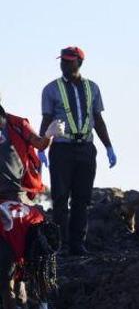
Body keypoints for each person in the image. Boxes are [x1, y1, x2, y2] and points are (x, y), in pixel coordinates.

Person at [40, 46, 116, 256]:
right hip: (62, 150)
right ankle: (60, 245)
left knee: (82, 199)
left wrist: (108, 146)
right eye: (63, 61)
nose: (64, 64)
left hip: (85, 149)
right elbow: (46, 119)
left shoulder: (93, 88)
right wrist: (41, 147)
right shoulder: (51, 89)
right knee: (60, 198)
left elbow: (98, 120)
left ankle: (77, 244)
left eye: (69, 61)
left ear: (79, 62)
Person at [1, 200, 63, 309]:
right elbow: (7, 284)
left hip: (17, 228)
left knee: (21, 277)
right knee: (7, 276)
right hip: (5, 235)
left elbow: (41, 270)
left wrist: (44, 306)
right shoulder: (12, 239)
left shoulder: (40, 222)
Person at [1, 105, 63, 202]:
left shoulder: (17, 124)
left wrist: (48, 134)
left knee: (32, 216)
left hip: (16, 192)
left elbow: (40, 144)